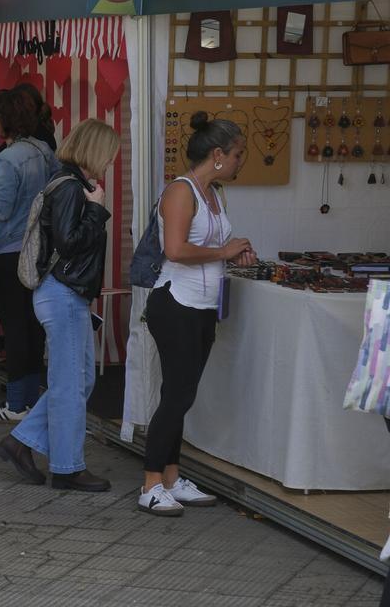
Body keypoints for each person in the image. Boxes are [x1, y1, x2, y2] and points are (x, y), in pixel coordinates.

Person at [0, 118, 120, 493]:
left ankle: (20, 443)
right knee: (69, 384)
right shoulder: (71, 189)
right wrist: (97, 210)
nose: (111, 162)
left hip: (63, 293)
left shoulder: (67, 183)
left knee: (79, 378)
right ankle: (67, 467)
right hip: (62, 293)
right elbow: (69, 242)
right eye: (109, 154)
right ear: (94, 151)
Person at [139, 113, 253, 516]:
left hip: (202, 307)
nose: (242, 161)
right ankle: (152, 481)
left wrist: (235, 250)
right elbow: (175, 250)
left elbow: (211, 246)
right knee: (178, 396)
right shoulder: (180, 191)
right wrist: (222, 252)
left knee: (179, 394)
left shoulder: (214, 194)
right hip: (176, 304)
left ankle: (171, 476)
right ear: (218, 154)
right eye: (238, 154)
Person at [0, 90, 58, 423]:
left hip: (8, 250)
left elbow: (2, 210)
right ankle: (31, 399)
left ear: (4, 120)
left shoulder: (9, 159)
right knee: (33, 325)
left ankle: (16, 403)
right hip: (38, 249)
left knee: (14, 325)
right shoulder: (44, 151)